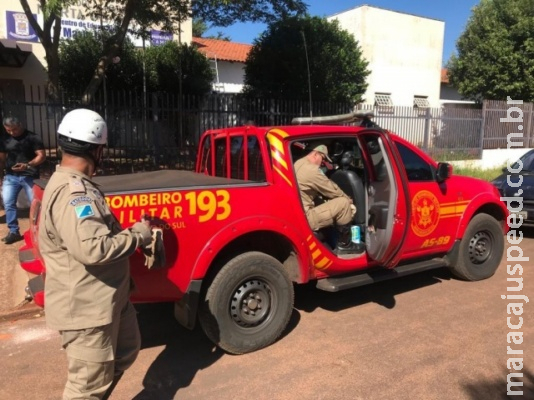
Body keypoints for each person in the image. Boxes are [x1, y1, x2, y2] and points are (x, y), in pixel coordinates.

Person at [38, 109, 153, 399]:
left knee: (126, 352)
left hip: (108, 300)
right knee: (86, 388)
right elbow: (93, 248)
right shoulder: (74, 194)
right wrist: (138, 235)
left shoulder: (76, 186)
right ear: (97, 150)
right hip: (88, 311)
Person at [294, 144, 360, 254]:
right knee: (343, 204)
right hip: (306, 217)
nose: (322, 163)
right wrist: (348, 199)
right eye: (323, 158)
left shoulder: (298, 163)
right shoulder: (311, 170)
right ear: (315, 154)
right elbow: (331, 189)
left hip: (298, 212)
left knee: (322, 201)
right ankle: (345, 245)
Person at [0, 116, 46, 244]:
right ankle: (13, 231)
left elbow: (41, 156)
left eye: (14, 129)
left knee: (36, 205)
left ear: (20, 124)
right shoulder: (4, 139)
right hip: (10, 176)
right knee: (8, 203)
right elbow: (2, 159)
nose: (12, 133)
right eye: (8, 130)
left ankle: (40, 231)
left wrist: (28, 165)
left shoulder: (33, 137)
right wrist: (1, 176)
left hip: (30, 176)